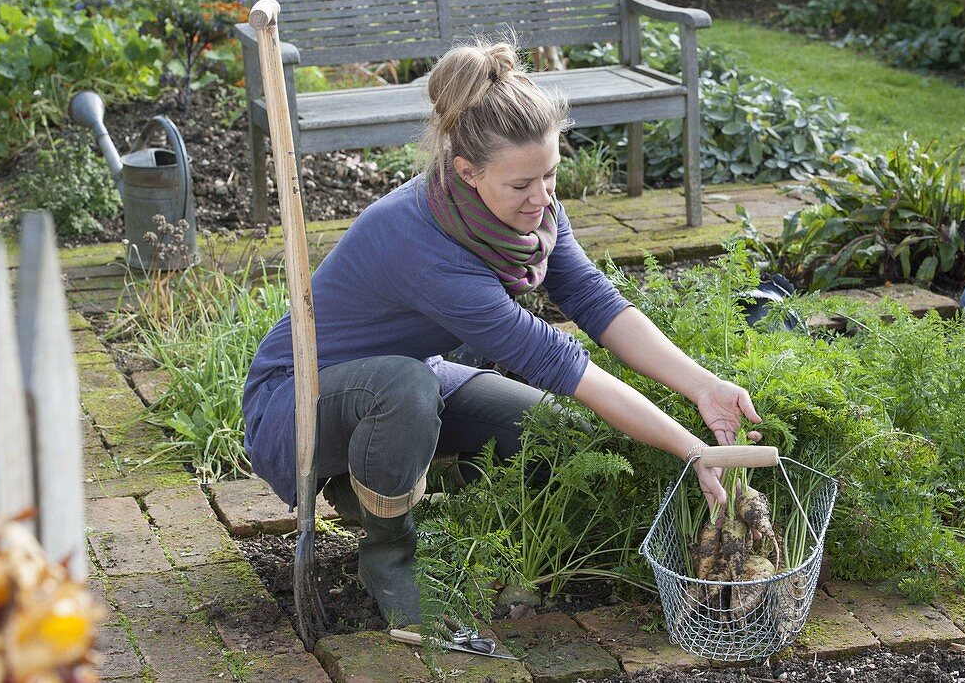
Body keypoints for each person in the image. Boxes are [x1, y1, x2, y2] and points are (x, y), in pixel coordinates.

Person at [242, 38, 762, 625]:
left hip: (411, 378)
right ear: (466, 172)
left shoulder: (531, 208)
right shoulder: (422, 244)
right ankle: (389, 558)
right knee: (407, 388)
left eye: (551, 176)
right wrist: (691, 449)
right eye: (522, 185)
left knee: (550, 430)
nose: (542, 198)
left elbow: (593, 300)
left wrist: (702, 386)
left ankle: (406, 497)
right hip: (298, 401)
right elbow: (562, 361)